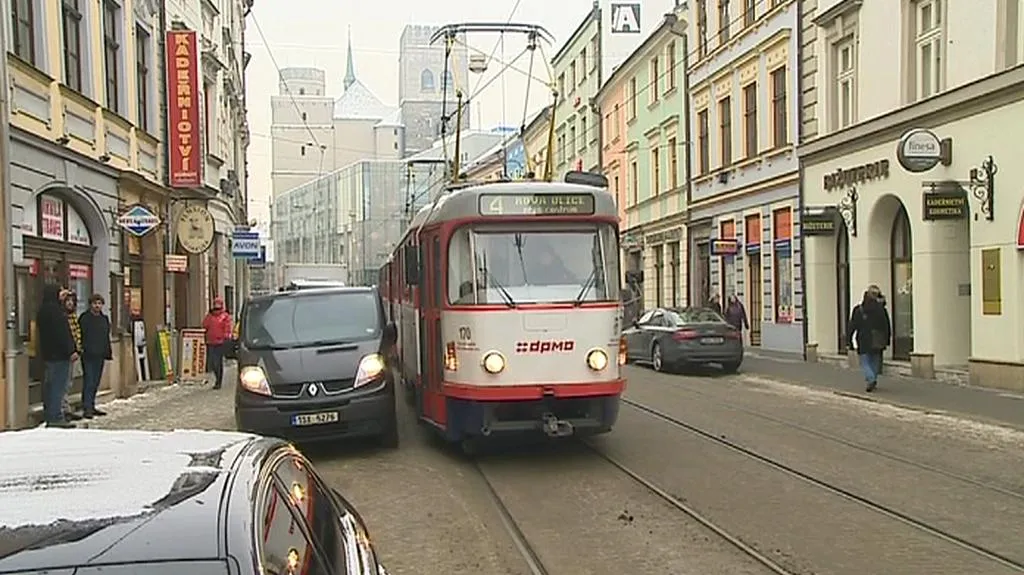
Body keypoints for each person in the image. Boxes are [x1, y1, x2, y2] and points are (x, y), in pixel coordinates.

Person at [36, 284, 78, 427]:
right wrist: (71, 350)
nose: (63, 295)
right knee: (58, 387)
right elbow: (62, 334)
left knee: (50, 386)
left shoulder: (43, 310)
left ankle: (50, 414)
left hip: (48, 354)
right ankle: (56, 417)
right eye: (60, 292)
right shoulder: (56, 311)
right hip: (59, 355)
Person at [847, 285, 892, 392]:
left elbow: (852, 326)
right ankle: (873, 378)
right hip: (878, 340)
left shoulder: (858, 309)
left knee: (865, 361)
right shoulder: (881, 309)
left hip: (863, 340)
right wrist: (887, 339)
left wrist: (849, 340)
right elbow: (886, 325)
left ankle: (871, 378)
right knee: (875, 361)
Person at [78, 294, 113, 418]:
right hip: (88, 354)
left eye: (99, 303)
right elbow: (80, 335)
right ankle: (86, 406)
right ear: (90, 304)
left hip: (100, 354)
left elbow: (105, 337)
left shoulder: (104, 319)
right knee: (89, 380)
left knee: (96, 381)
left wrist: (108, 352)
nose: (97, 306)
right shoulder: (85, 318)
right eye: (95, 303)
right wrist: (81, 348)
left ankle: (91, 405)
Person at [61, 290, 83, 421]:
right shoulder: (62, 317)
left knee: (69, 382)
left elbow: (77, 334)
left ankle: (65, 407)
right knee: (64, 382)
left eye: (72, 301)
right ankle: (63, 409)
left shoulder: (74, 316)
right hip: (66, 354)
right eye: (67, 301)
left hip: (75, 352)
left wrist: (78, 349)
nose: (70, 303)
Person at [202, 297, 233, 390]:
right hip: (210, 341)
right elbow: (204, 325)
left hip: (220, 342)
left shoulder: (225, 316)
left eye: (218, 304)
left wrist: (226, 337)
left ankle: (219, 381)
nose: (216, 306)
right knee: (212, 362)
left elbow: (227, 327)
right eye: (215, 304)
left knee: (217, 362)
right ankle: (217, 378)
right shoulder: (210, 316)